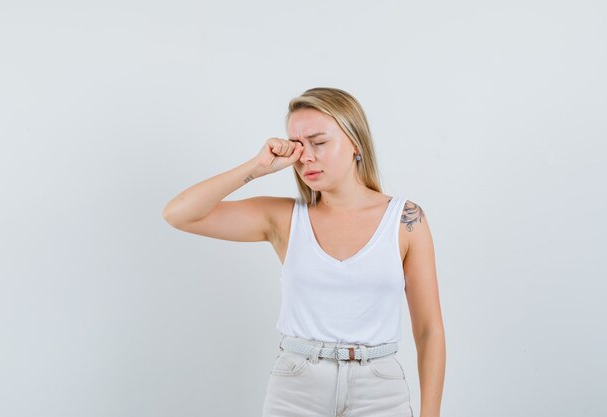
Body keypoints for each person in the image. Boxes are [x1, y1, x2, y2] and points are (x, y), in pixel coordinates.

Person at [162, 87, 445, 417]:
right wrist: (257, 166)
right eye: (297, 147)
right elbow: (179, 214)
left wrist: (431, 414)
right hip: (297, 388)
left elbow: (429, 331)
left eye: (319, 142)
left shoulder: (406, 220)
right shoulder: (285, 219)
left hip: (379, 390)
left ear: (355, 142)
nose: (306, 157)